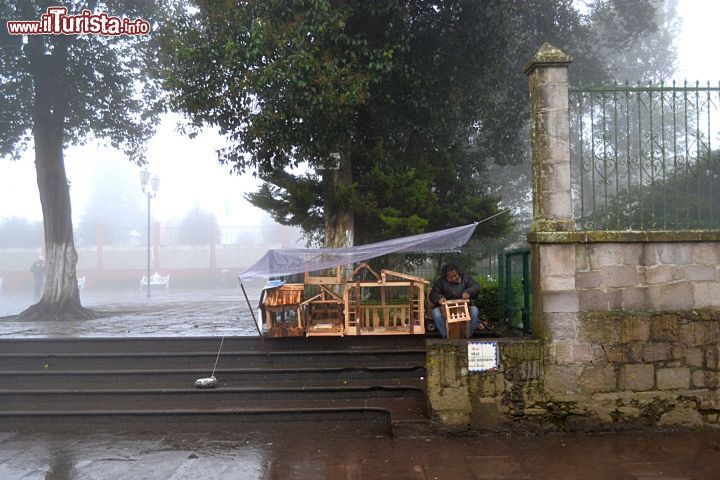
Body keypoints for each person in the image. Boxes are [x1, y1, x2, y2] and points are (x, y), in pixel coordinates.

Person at [429, 263, 481, 338]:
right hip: (445, 309)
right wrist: (439, 298)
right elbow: (433, 293)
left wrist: (468, 292)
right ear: (445, 277)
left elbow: (476, 286)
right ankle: (447, 336)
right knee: (435, 312)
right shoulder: (440, 282)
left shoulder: (466, 278)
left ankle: (468, 336)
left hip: (464, 307)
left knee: (474, 310)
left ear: (458, 272)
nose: (454, 278)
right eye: (450, 277)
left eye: (455, 275)